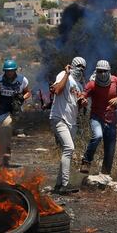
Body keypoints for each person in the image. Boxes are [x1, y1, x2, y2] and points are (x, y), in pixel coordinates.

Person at [49, 57, 86, 194]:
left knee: (67, 151)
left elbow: (77, 105)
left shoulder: (79, 85)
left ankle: (58, 185)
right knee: (69, 148)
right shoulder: (63, 75)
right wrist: (66, 73)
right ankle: (65, 184)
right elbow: (57, 90)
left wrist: (82, 102)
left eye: (83, 67)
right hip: (59, 118)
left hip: (72, 122)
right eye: (79, 66)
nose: (81, 69)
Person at [0, 59, 30, 167]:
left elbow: (28, 92)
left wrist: (22, 98)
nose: (9, 73)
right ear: (4, 71)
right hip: (2, 110)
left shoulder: (22, 80)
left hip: (14, 111)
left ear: (15, 70)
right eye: (7, 71)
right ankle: (0, 153)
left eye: (11, 70)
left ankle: (6, 153)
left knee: (6, 127)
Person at [80, 60, 117, 175]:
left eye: (104, 71)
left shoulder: (115, 80)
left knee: (110, 148)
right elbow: (83, 94)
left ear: (109, 71)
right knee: (97, 136)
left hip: (111, 119)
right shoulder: (92, 84)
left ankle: (106, 174)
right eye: (99, 71)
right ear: (96, 71)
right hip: (96, 117)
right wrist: (83, 100)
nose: (102, 73)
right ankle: (86, 161)